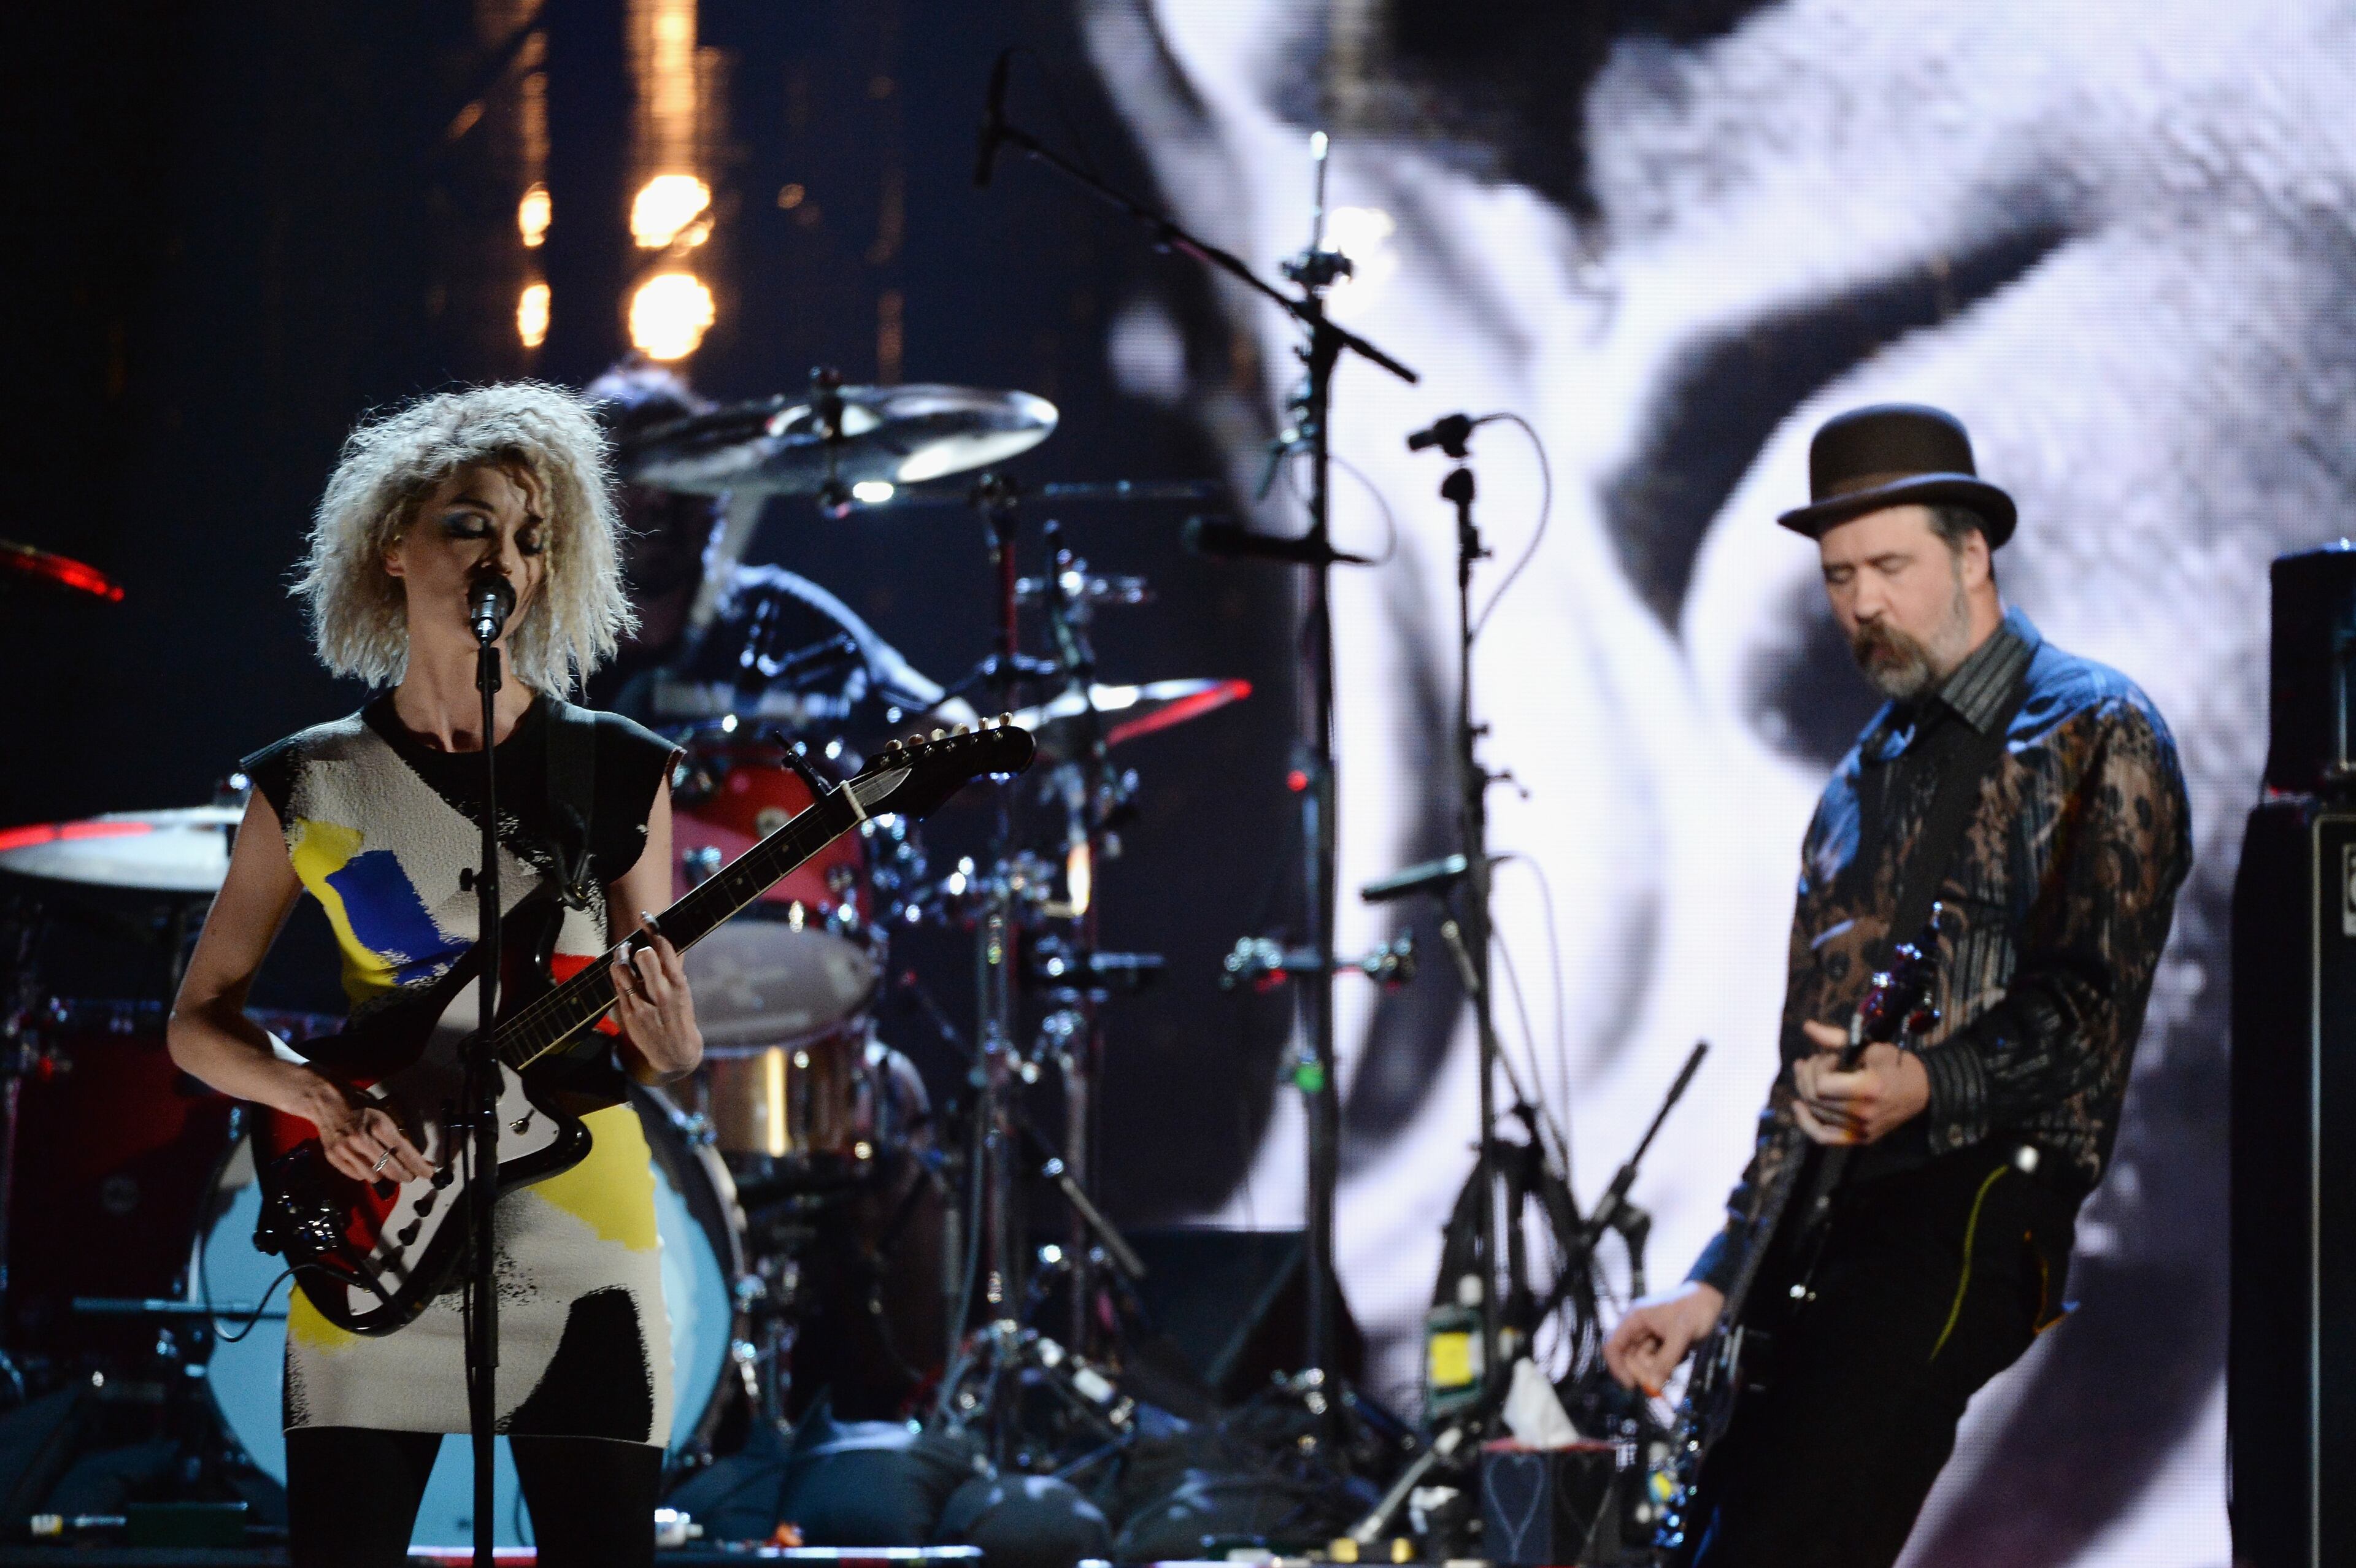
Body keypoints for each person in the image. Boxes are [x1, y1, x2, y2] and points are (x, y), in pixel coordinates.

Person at [1598, 404, 2192, 1566]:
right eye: (1836, 577)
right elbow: (1807, 1081)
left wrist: (1929, 1082)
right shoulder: (1856, 785)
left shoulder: (2096, 730)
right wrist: (1716, 1284)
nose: (1861, 604)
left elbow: (2095, 1011)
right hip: (1828, 1234)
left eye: (1889, 567)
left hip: (1974, 1208)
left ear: (1973, 553)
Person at [167, 383, 704, 1567]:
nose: (500, 556)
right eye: (470, 524)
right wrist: (316, 1097)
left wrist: (675, 1050)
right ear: (393, 546)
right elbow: (197, 1027)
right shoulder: (309, 783)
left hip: (581, 1229)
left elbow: (644, 1010)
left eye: (527, 535)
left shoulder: (621, 771)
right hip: (381, 1209)